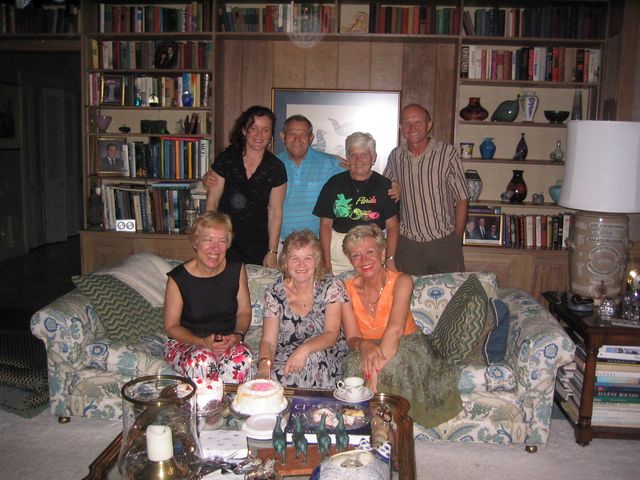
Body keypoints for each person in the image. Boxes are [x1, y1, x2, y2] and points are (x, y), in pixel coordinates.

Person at [340, 224, 462, 428]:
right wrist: (365, 346)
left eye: (369, 252)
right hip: (368, 345)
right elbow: (352, 337)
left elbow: (395, 330)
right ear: (350, 260)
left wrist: (373, 374)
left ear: (382, 253)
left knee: (391, 365)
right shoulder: (346, 289)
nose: (364, 260)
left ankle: (384, 428)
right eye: (356, 255)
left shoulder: (402, 281)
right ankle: (363, 425)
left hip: (406, 343)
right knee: (354, 363)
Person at [164, 211, 252, 383]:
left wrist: (237, 336)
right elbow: (171, 326)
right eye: (208, 240)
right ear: (195, 242)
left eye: (222, 241)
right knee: (203, 361)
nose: (215, 248)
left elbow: (244, 312)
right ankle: (206, 401)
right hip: (188, 343)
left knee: (240, 360)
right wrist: (202, 342)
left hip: (226, 342)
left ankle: (230, 401)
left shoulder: (236, 269)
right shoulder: (178, 278)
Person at [257, 230, 349, 389]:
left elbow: (331, 335)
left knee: (313, 361)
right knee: (260, 378)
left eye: (308, 258)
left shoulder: (331, 286)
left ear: (317, 261)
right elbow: (268, 342)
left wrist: (303, 350)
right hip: (288, 355)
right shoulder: (274, 292)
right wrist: (264, 367)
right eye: (295, 258)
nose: (301, 265)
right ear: (285, 263)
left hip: (325, 351)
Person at [383, 104, 469, 274]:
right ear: (401, 127)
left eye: (418, 122)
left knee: (449, 289)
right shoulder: (396, 156)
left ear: (429, 125)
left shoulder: (447, 153)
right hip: (408, 244)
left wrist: (456, 238)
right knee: (409, 290)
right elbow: (383, 189)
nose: (412, 128)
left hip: (443, 240)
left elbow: (462, 198)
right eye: (407, 123)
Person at [205, 106, 287, 268]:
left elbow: (275, 213)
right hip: (223, 240)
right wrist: (210, 240)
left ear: (271, 135)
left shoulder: (276, 167)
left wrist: (272, 251)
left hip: (257, 244)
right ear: (244, 130)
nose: (259, 135)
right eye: (253, 128)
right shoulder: (226, 159)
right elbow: (211, 204)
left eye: (265, 130)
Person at [313, 132, 399, 274]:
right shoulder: (334, 184)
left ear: (373, 157)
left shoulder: (385, 186)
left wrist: (390, 259)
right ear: (347, 157)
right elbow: (325, 224)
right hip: (337, 259)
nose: (358, 160)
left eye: (364, 154)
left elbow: (392, 226)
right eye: (353, 155)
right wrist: (326, 262)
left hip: (372, 257)